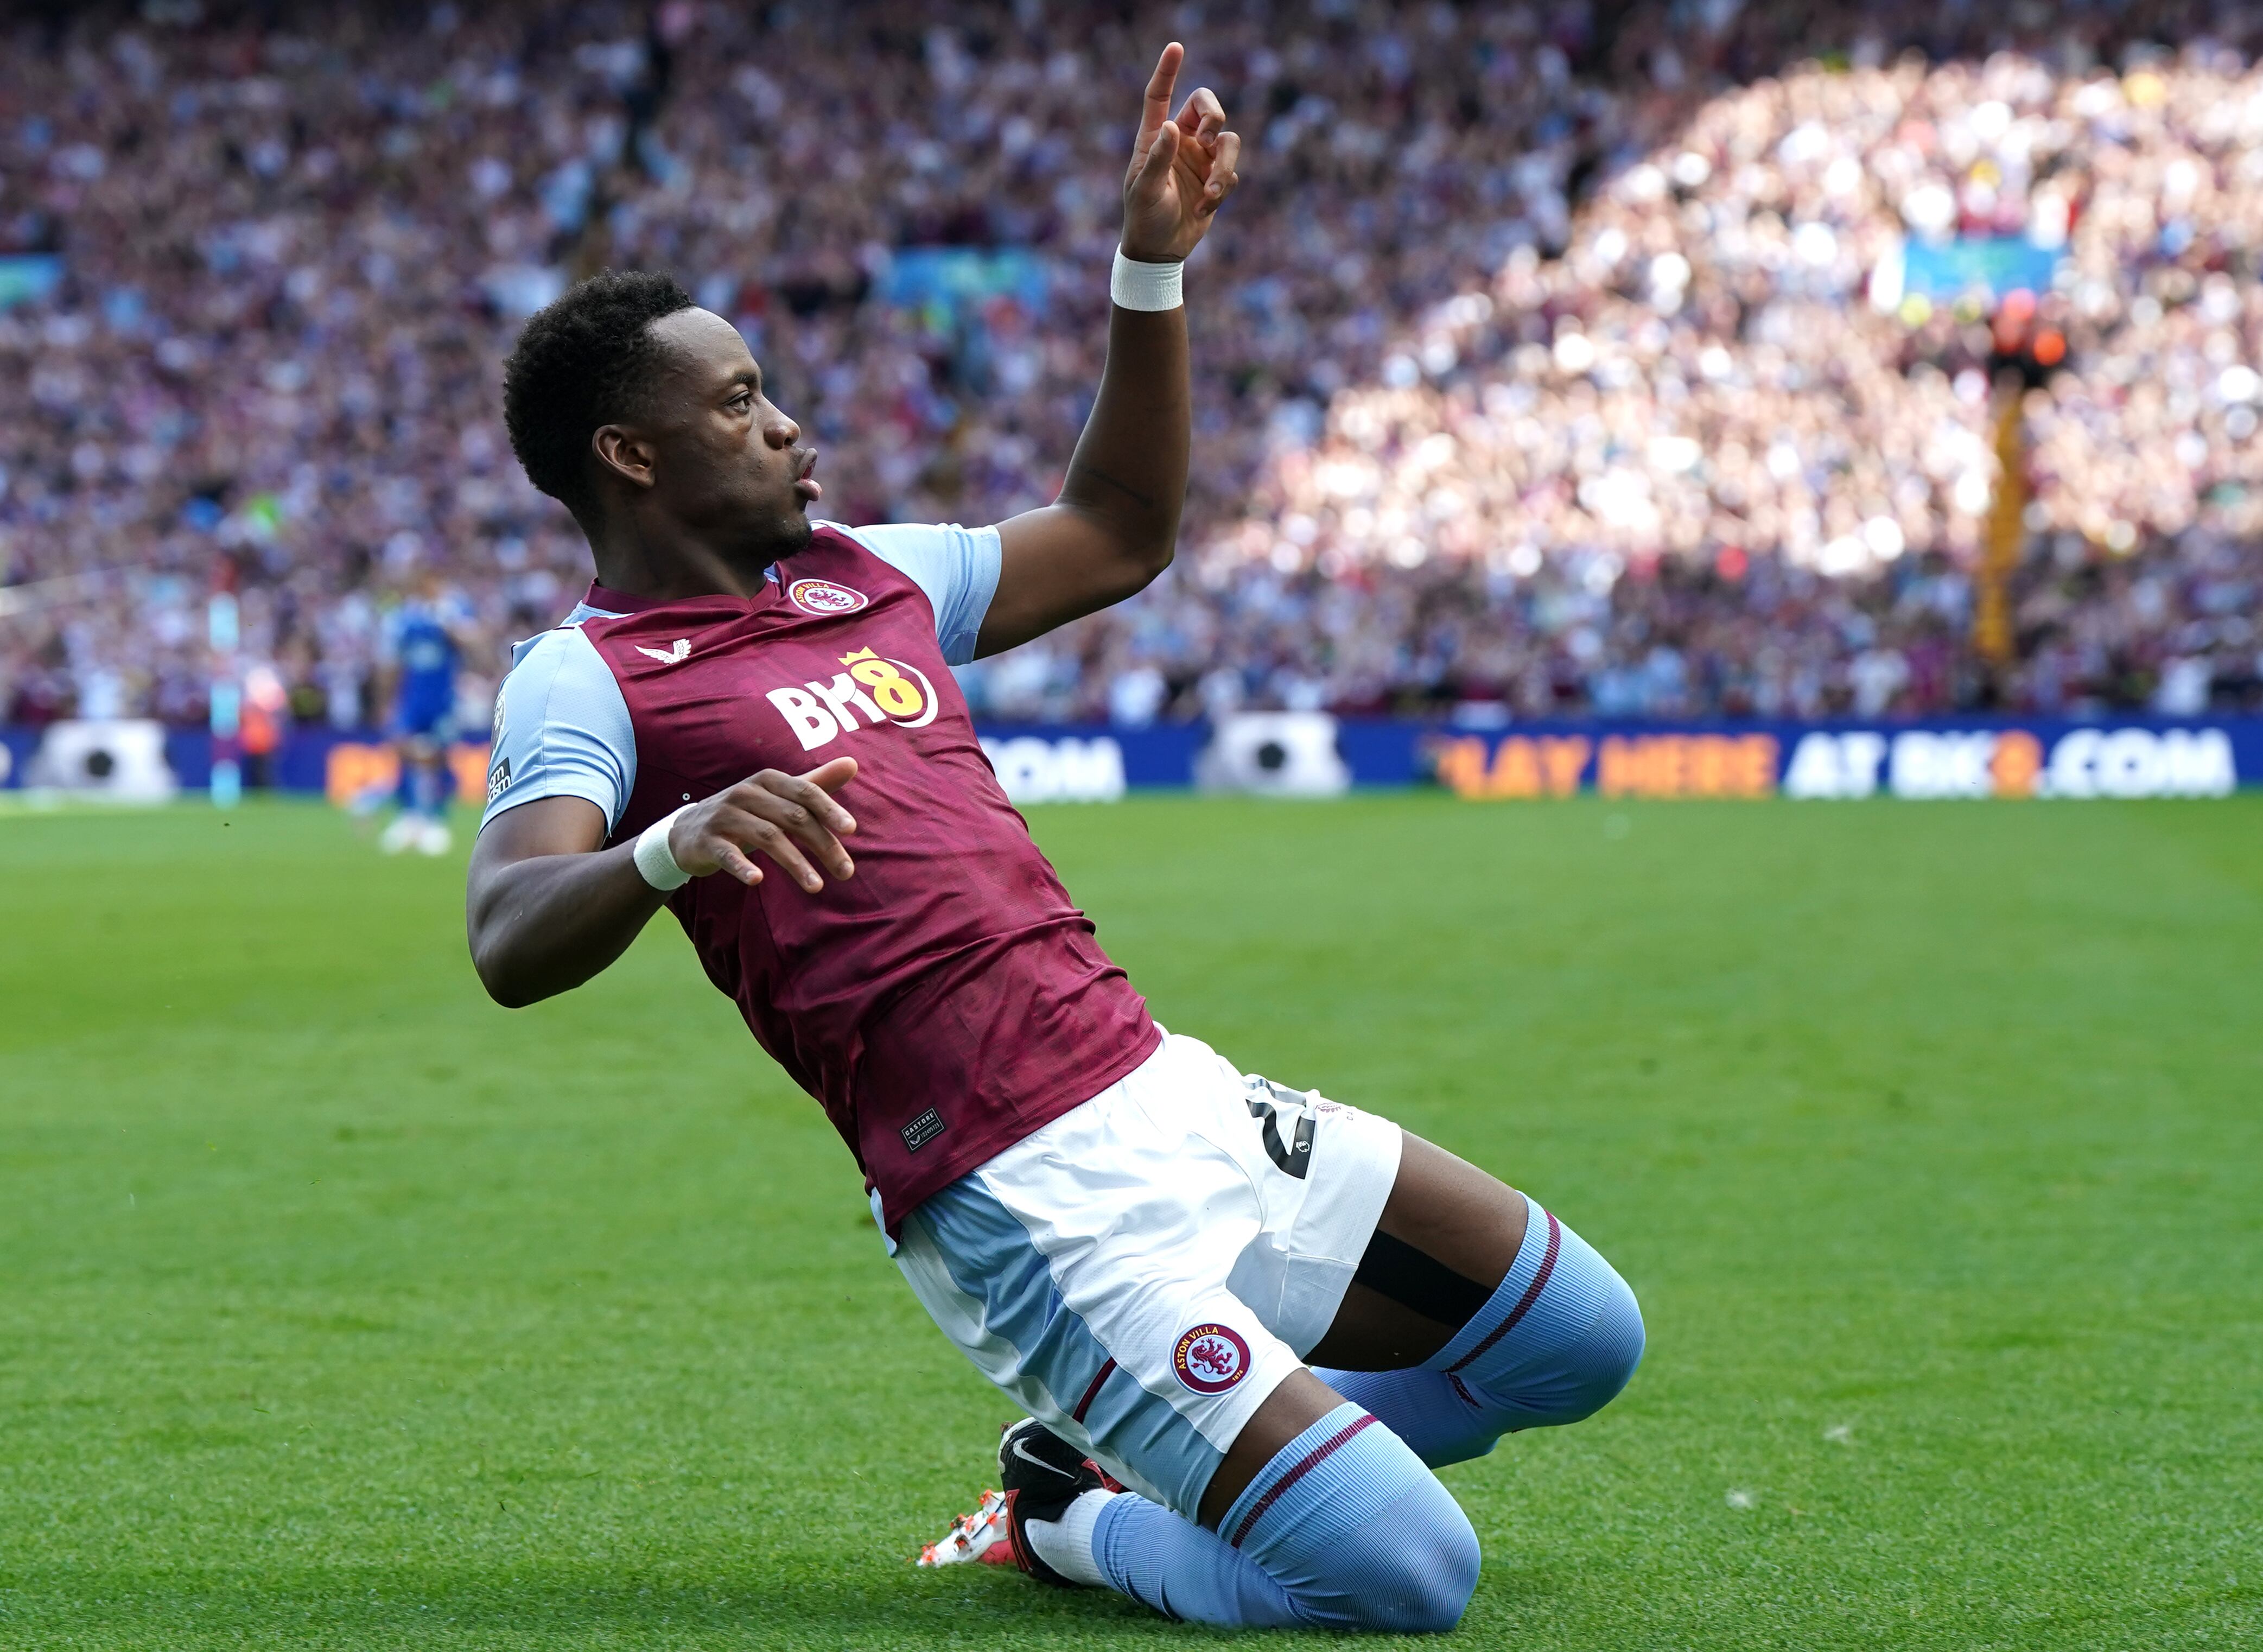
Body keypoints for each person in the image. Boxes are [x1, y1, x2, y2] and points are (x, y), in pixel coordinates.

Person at [464, 45, 1642, 1634]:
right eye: (741, 401)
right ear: (631, 455)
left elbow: (1118, 534)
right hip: (1024, 1193)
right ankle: (1071, 1514)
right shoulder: (586, 673)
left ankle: (1185, 1460)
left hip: (1164, 1082)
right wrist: (674, 844)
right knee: (1406, 1577)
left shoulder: (869, 575)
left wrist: (1147, 270)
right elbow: (508, 933)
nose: (791, 424)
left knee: (1579, 1340)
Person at [377, 569, 478, 855]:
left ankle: (436, 820)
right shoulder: (403, 617)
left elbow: (470, 642)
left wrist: (446, 621)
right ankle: (408, 817)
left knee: (440, 756)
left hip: (443, 700)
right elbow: (391, 662)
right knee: (404, 754)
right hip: (411, 699)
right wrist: (387, 702)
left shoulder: (453, 609)